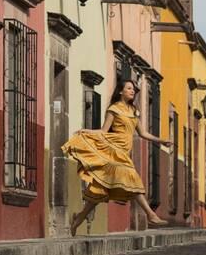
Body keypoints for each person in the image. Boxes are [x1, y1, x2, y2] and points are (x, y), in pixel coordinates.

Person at [61, 79, 173, 236]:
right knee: (133, 178)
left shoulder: (134, 111)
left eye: (133, 89)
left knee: (99, 191)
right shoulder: (113, 109)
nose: (132, 91)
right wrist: (86, 131)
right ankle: (151, 214)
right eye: (129, 88)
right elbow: (103, 130)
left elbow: (142, 133)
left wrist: (162, 141)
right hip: (114, 151)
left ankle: (78, 219)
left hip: (124, 152)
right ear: (121, 91)